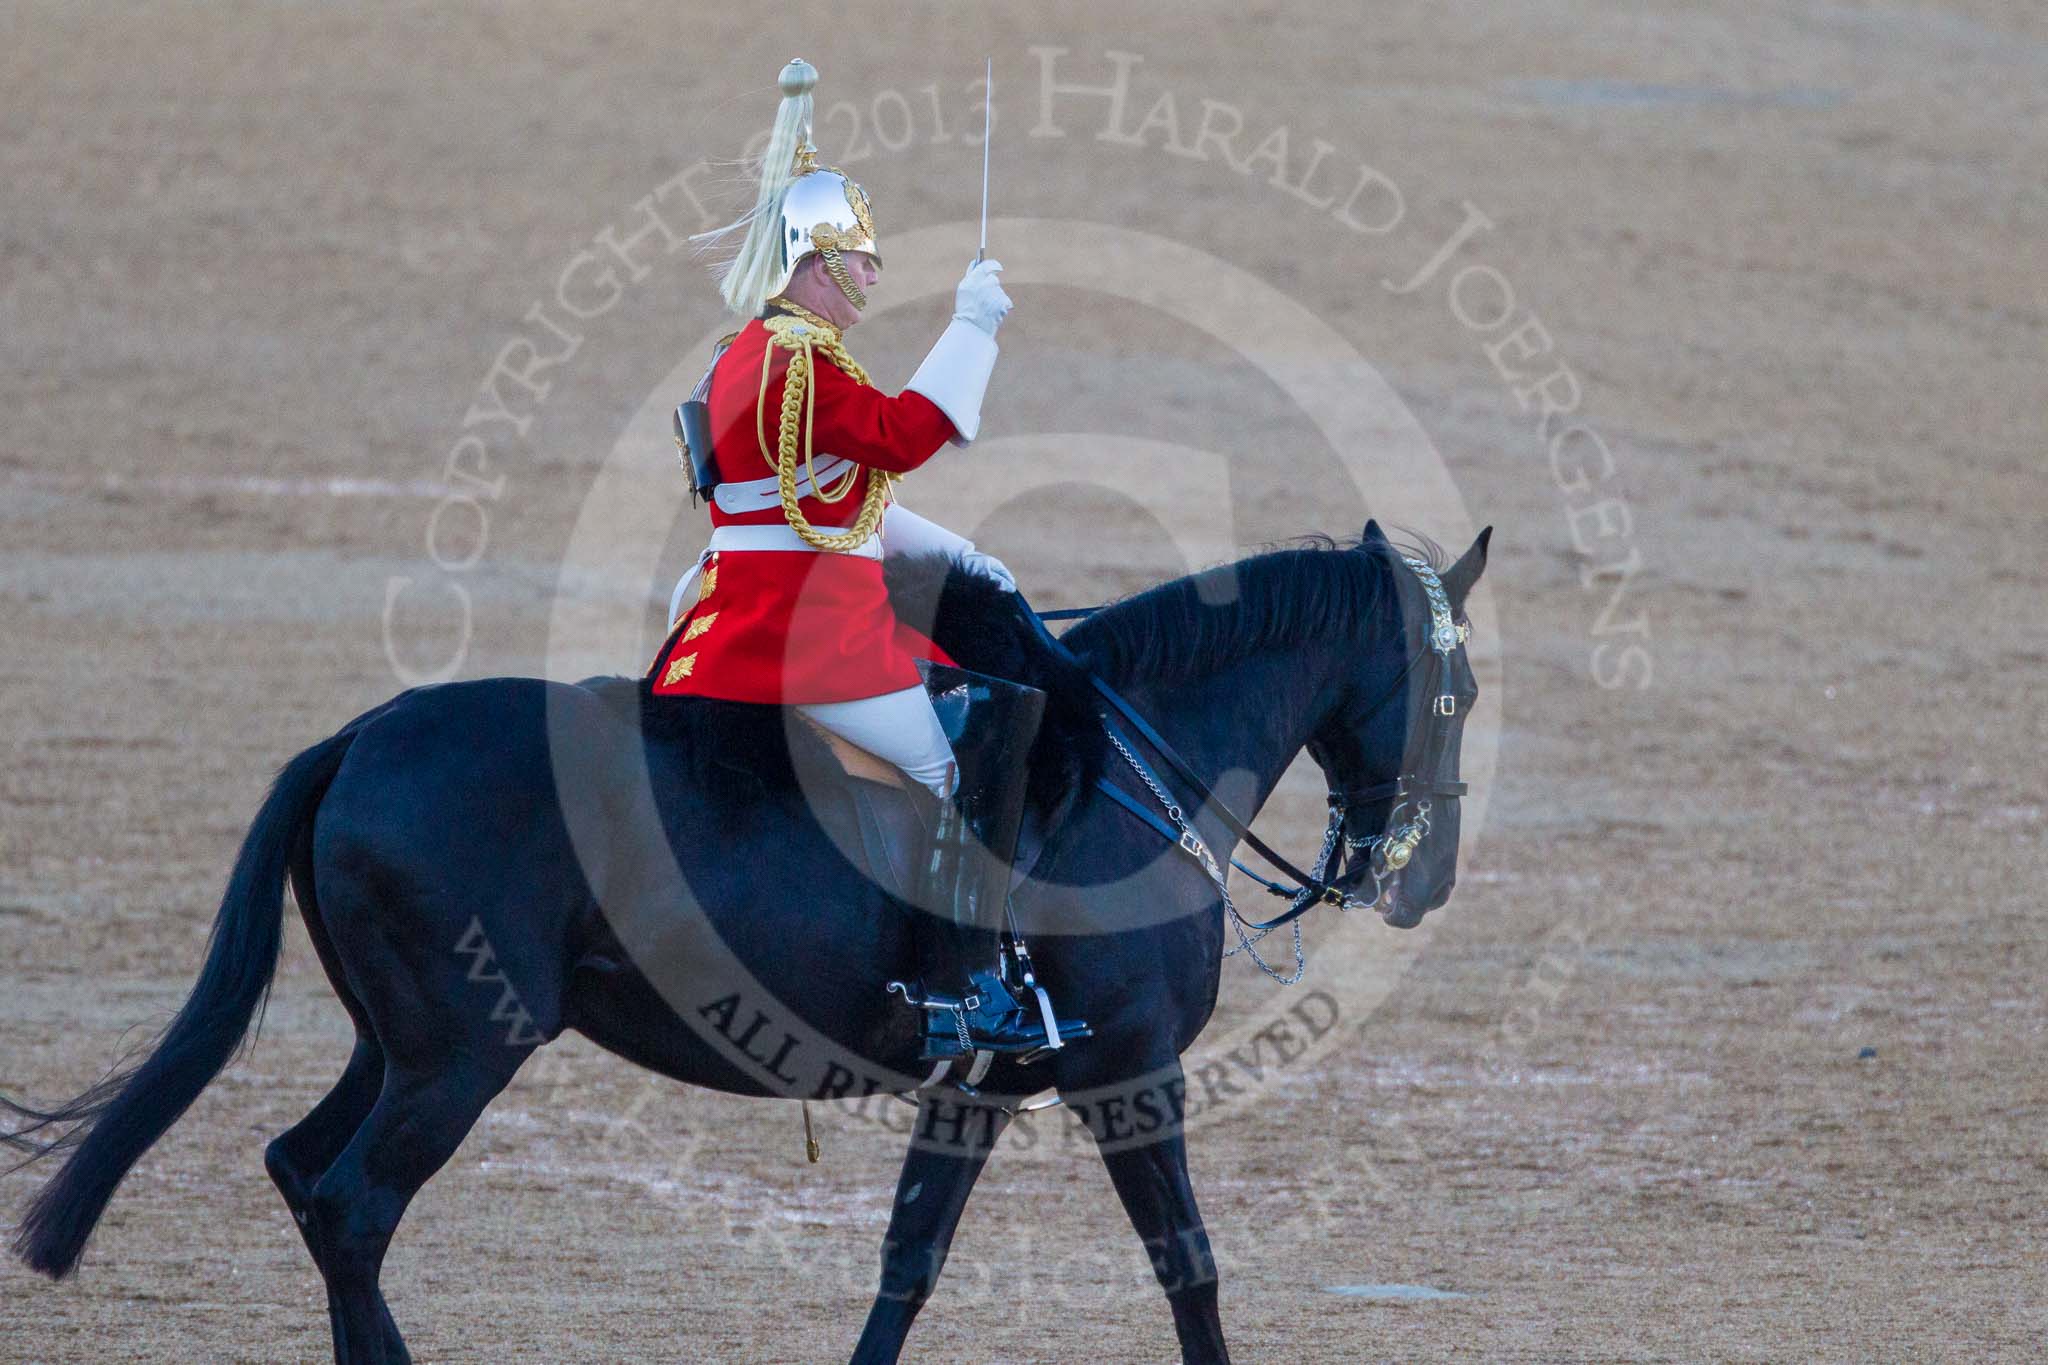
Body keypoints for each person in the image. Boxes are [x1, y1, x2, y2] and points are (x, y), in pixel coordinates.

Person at [650, 59, 1082, 1068]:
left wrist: (958, 554)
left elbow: (822, 501)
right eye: (864, 260)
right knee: (957, 753)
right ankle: (958, 989)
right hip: (803, 632)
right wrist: (971, 326)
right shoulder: (797, 360)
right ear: (819, 263)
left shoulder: (749, 350)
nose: (875, 277)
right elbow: (897, 435)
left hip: (759, 595)